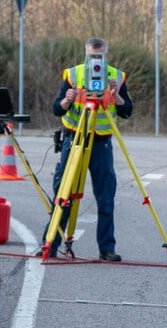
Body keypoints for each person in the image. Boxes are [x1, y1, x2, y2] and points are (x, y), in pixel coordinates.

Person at [43, 37, 132, 261]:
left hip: (101, 143)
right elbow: (57, 109)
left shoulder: (116, 77)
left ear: (106, 53)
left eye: (99, 56)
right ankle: (50, 244)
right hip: (75, 140)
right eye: (92, 55)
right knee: (63, 194)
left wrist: (117, 96)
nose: (96, 60)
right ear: (85, 53)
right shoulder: (73, 75)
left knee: (106, 198)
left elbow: (127, 110)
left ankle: (107, 249)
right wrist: (67, 100)